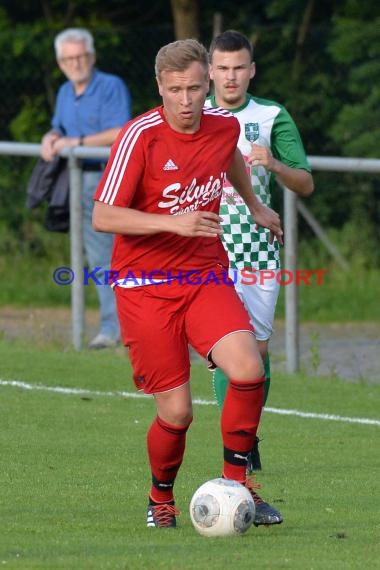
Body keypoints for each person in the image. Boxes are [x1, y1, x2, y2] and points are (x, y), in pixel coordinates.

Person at [93, 38, 284, 528]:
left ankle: (237, 488)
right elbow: (102, 215)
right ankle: (161, 500)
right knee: (177, 414)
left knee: (247, 371)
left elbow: (230, 158)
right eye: (175, 89)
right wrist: (172, 223)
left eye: (195, 88)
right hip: (144, 286)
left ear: (209, 85)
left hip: (203, 274)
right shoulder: (141, 136)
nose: (185, 100)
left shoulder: (224, 127)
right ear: (160, 86)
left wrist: (256, 206)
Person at [207, 30, 314, 471]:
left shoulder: (271, 115)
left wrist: (273, 163)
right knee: (221, 351)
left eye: (239, 68)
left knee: (258, 354)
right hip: (207, 249)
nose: (231, 77)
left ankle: (246, 434)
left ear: (251, 71)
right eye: (223, 69)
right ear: (210, 71)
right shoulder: (194, 113)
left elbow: (305, 183)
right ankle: (235, 441)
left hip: (257, 251)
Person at [41, 27, 132, 349]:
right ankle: (116, 326)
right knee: (97, 258)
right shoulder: (66, 91)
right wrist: (51, 137)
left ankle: (116, 328)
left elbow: (121, 130)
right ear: (60, 62)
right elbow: (60, 126)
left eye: (80, 56)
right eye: (68, 58)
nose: (75, 63)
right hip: (77, 181)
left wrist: (75, 142)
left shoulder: (110, 86)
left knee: (112, 257)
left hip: (107, 179)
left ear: (91, 57)